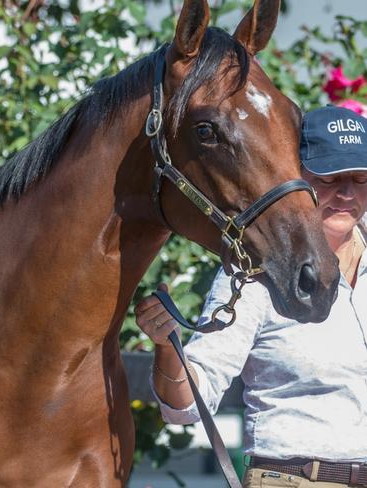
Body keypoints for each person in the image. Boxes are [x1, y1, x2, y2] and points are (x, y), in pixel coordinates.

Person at [135, 105, 367, 488]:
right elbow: (187, 405)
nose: (346, 193)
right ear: (296, 176)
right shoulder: (255, 276)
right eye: (329, 178)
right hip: (293, 479)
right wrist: (166, 346)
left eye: (360, 179)